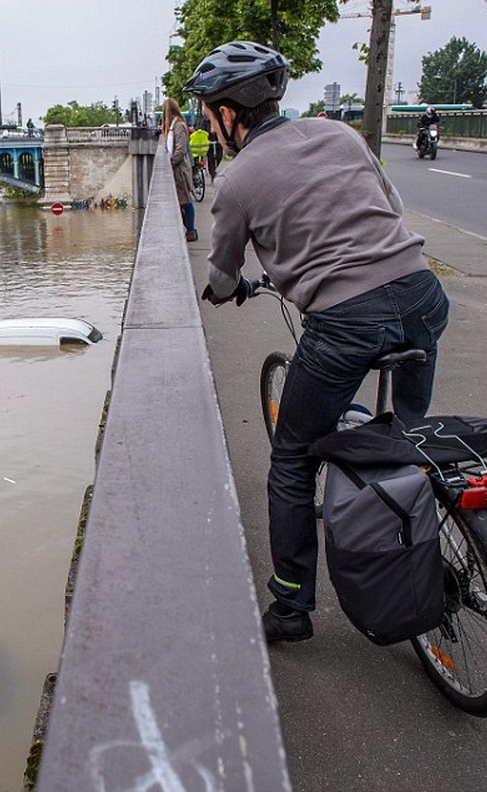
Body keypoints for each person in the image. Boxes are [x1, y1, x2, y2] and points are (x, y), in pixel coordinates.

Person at [184, 41, 450, 643]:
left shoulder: (237, 177)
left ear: (229, 114)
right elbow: (393, 209)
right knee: (407, 437)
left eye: (208, 112)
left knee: (293, 457)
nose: (207, 123)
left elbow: (222, 277)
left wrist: (227, 292)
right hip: (421, 294)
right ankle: (422, 528)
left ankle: (291, 606)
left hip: (347, 324)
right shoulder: (341, 135)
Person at [162, 97, 197, 242]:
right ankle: (188, 229)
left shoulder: (179, 126)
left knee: (185, 200)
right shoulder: (175, 125)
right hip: (177, 169)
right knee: (182, 201)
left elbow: (180, 150)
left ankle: (191, 230)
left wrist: (170, 163)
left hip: (180, 170)